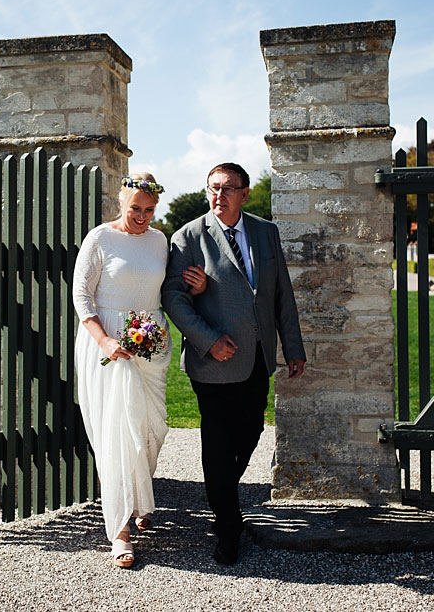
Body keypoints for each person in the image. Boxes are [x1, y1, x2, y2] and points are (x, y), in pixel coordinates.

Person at [161, 162, 305, 566]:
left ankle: (221, 491)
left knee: (252, 429)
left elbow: (281, 295)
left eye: (228, 188)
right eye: (213, 188)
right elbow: (174, 298)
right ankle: (227, 527)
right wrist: (208, 340)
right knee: (219, 443)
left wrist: (292, 346)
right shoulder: (188, 237)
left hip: (258, 358)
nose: (219, 195)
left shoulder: (265, 232)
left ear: (244, 193)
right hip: (214, 362)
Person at [72, 172, 206, 568]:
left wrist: (196, 290)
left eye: (149, 210)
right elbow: (81, 295)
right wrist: (105, 341)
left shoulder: (160, 240)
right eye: (135, 209)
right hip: (110, 342)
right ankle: (120, 531)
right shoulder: (99, 239)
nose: (142, 217)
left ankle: (140, 497)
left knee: (153, 428)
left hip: (150, 340)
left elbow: (166, 290)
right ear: (121, 201)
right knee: (117, 433)